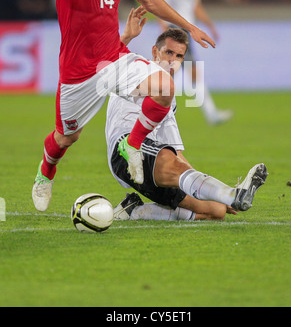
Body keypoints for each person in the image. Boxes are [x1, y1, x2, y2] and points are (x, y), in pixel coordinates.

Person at [32, 0, 215, 212]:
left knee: (164, 87)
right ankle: (45, 173)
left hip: (113, 60)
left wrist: (188, 25)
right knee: (65, 138)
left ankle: (132, 145)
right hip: (78, 74)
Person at [105, 15, 268, 222]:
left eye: (179, 56)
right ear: (155, 52)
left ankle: (132, 211)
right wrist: (126, 37)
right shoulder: (138, 69)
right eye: (168, 52)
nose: (173, 60)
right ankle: (234, 194)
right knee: (179, 170)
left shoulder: (169, 101)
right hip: (125, 152)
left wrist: (209, 191)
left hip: (154, 162)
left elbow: (177, 153)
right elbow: (108, 62)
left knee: (216, 211)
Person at [156, 0, 233, 125]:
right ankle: (209, 114)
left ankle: (209, 114)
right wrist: (164, 30)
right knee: (175, 73)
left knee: (177, 73)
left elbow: (195, 6)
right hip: (174, 31)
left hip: (187, 31)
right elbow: (158, 3)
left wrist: (210, 26)